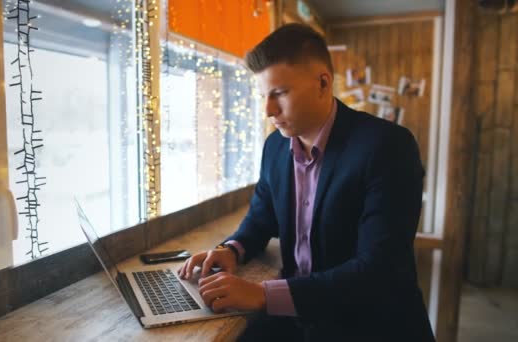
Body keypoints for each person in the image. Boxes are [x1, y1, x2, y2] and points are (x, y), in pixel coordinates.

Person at [178, 23, 435, 342]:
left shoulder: (388, 146)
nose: (268, 110)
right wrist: (232, 248)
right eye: (263, 96)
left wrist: (262, 295)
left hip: (369, 324)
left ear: (323, 83)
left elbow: (377, 271)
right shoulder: (275, 146)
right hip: (299, 319)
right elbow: (262, 215)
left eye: (280, 93)